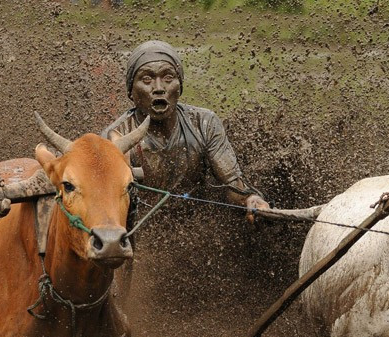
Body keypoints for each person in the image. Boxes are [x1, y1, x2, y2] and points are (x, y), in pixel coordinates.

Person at [102, 40, 270, 223]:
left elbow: (233, 183)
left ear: (179, 86)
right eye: (146, 79)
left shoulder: (204, 124)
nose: (159, 88)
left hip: (198, 222)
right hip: (142, 227)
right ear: (131, 91)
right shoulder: (115, 137)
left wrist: (251, 199)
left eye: (168, 78)